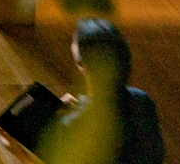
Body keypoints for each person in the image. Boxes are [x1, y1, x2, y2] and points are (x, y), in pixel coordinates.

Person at [39, 19, 166, 164]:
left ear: (81, 61)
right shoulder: (142, 101)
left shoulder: (71, 122)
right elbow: (156, 155)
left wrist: (16, 149)